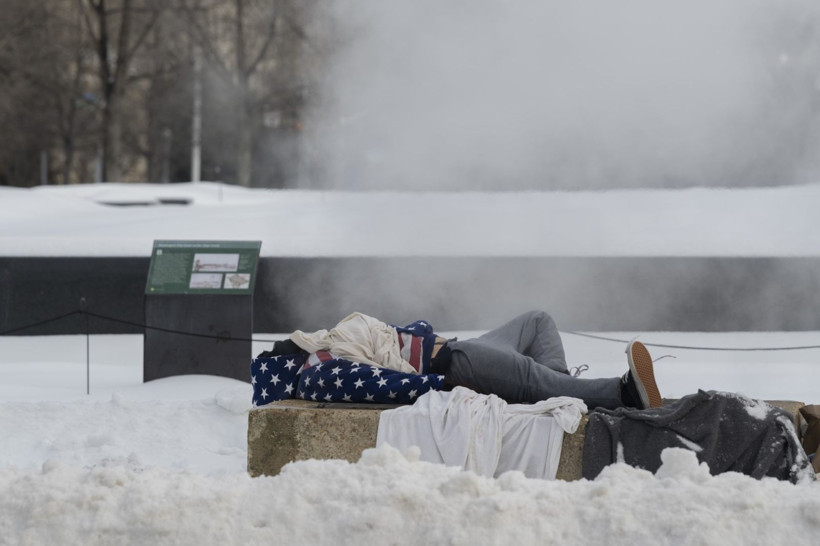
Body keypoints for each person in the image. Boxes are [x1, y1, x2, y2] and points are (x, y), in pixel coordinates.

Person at [266, 310, 662, 411]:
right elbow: (376, 381)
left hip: (462, 347)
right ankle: (625, 393)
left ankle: (555, 388)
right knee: (526, 374)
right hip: (456, 365)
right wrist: (439, 384)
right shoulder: (324, 365)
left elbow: (406, 332)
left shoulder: (334, 341)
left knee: (536, 321)